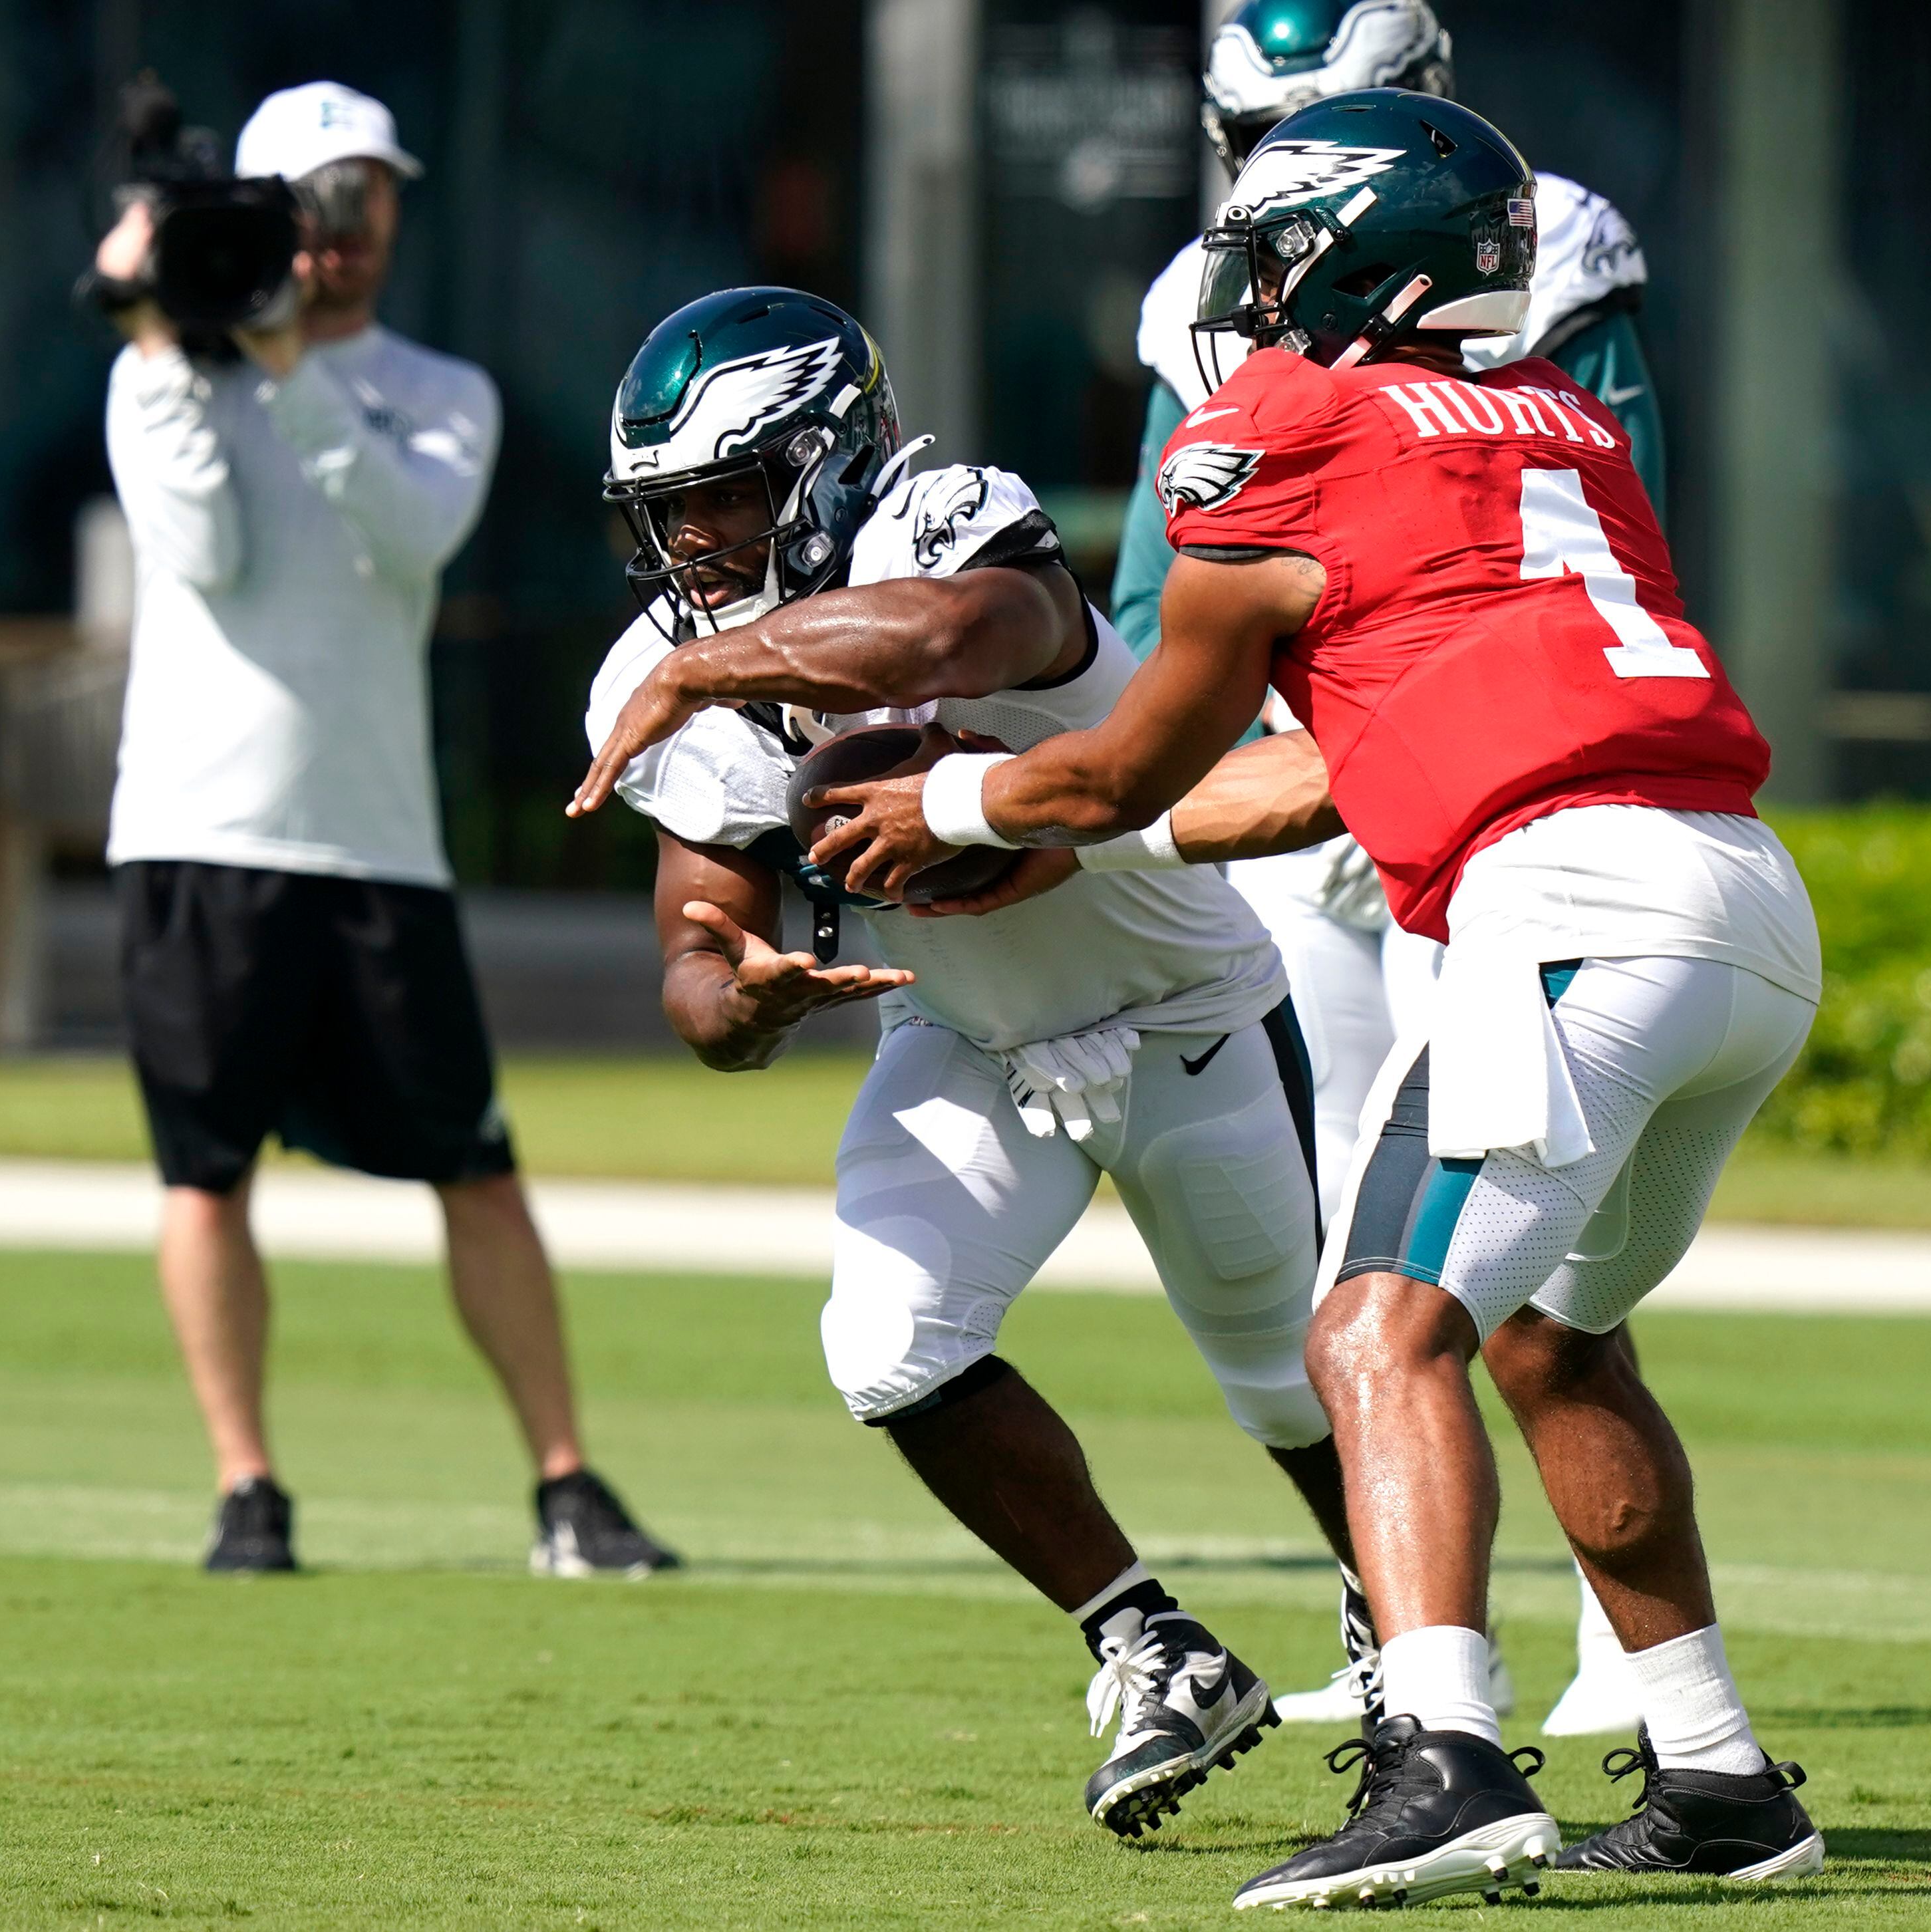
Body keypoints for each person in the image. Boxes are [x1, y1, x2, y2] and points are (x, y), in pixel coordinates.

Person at [802, 91, 1828, 1907]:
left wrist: (955, 802)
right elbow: (1301, 776)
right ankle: (1719, 1777)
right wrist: (1086, 850)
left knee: (1371, 1329)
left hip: (1572, 904)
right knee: (1544, 1336)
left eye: (1278, 247)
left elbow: (1119, 768)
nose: (1254, 289)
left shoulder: (1279, 418)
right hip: (1736, 895)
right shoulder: (1563, 422)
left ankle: (1443, 1753)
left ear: (1349, 251)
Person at [570, 287, 1364, 1842]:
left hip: (1179, 1001)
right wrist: (743, 1000)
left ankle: (1414, 1666)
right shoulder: (672, 665)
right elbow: (694, 942)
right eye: (672, 512)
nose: (700, 545)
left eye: (730, 495)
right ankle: (1154, 1644)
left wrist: (707, 672)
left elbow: (946, 637)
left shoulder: (950, 520)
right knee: (887, 1345)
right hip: (968, 1036)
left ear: (828, 460)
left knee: (1288, 1381)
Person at [1113, 0, 1668, 1740]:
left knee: (1529, 1255)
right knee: (1352, 1246)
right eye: (1264, 132)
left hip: (1480, 795)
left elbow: (1603, 553)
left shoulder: (1545, 250)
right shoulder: (1206, 300)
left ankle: (1613, 1647)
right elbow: (1159, 589)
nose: (1295, 180)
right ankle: (1402, 1647)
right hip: (1309, 798)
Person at [95, 80, 674, 1579]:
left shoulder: (438, 389)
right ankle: (248, 1490)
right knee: (203, 1172)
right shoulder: (164, 374)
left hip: (377, 851)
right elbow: (207, 553)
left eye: (370, 200)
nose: (344, 234)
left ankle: (567, 1488)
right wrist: (168, 335)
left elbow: (409, 535)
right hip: (198, 835)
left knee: (474, 1165)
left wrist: (289, 369)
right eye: (316, 202)